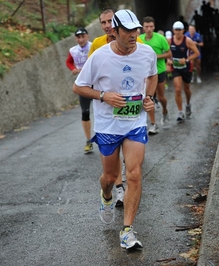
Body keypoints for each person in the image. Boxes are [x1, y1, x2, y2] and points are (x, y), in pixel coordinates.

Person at [73, 9, 157, 249]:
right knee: (110, 177)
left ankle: (127, 230)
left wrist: (149, 98)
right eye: (128, 31)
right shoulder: (99, 57)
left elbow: (153, 76)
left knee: (134, 174)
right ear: (115, 31)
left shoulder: (147, 52)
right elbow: (78, 87)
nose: (134, 34)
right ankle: (107, 196)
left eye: (136, 30)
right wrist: (103, 96)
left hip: (135, 122)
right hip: (108, 125)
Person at [88, 7, 129, 207]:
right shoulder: (96, 44)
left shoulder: (132, 39)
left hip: (128, 103)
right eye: (103, 23)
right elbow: (88, 75)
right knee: (113, 153)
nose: (107, 26)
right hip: (106, 106)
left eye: (110, 21)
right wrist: (103, 94)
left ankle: (122, 187)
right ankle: (118, 189)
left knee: (127, 146)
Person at [140, 16, 172, 131]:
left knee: (161, 97)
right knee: (149, 98)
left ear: (154, 27)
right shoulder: (140, 39)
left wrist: (156, 56)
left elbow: (169, 54)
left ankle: (164, 110)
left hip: (159, 71)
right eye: (146, 27)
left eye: (151, 26)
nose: (149, 29)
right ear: (143, 28)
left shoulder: (160, 38)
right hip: (145, 74)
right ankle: (153, 124)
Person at [65, 28, 93, 154]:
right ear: (76, 39)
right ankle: (88, 140)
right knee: (85, 112)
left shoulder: (94, 46)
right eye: (78, 37)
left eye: (83, 37)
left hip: (97, 83)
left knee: (105, 110)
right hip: (83, 85)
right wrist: (73, 69)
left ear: (87, 36)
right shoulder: (73, 50)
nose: (81, 40)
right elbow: (68, 62)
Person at [167, 21, 199, 122]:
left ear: (183, 31)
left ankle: (188, 104)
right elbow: (166, 53)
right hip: (175, 68)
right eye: (176, 30)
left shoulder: (187, 41)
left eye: (179, 30)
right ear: (173, 30)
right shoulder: (169, 41)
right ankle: (180, 112)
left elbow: (196, 53)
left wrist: (186, 60)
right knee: (177, 89)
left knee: (187, 89)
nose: (178, 32)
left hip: (186, 67)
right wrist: (168, 60)